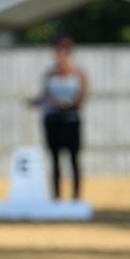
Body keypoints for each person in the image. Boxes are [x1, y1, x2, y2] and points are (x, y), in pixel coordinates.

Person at [33, 36, 87, 200]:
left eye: (62, 49)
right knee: (54, 160)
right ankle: (56, 196)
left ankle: (76, 196)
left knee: (73, 159)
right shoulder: (50, 75)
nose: (59, 53)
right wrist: (36, 102)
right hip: (52, 121)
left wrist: (63, 104)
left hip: (70, 120)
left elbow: (81, 99)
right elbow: (44, 96)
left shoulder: (78, 74)